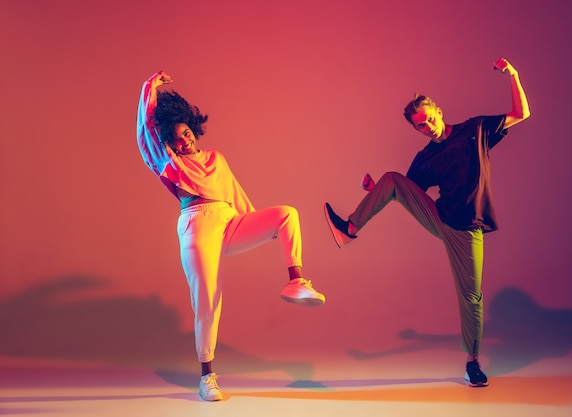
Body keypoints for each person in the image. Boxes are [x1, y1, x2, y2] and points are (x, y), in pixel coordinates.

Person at [324, 58, 530, 387]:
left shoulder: (475, 129)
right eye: (420, 126)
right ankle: (349, 228)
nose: (428, 127)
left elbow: (522, 113)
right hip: (440, 218)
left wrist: (513, 75)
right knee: (391, 179)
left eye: (429, 120)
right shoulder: (425, 158)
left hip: (468, 230)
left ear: (438, 112)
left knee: (472, 298)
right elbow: (405, 192)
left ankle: (472, 362)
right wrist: (375, 190)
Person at [136, 71, 326, 401]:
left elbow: (235, 195)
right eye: (178, 138)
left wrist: (261, 228)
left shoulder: (215, 158)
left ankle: (296, 280)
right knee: (208, 300)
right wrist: (150, 86)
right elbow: (146, 133)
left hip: (230, 221)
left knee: (287, 214)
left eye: (187, 133)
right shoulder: (170, 163)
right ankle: (207, 376)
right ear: (169, 141)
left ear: (194, 129)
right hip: (197, 226)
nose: (186, 141)